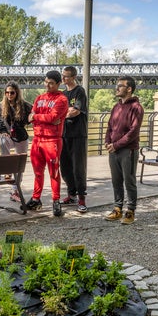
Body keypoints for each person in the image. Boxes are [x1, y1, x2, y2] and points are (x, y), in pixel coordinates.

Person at [25, 70, 68, 217]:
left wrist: (37, 116)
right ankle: (36, 199)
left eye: (51, 83)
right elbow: (32, 117)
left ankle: (56, 201)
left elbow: (53, 117)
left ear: (58, 83)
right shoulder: (39, 98)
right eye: (46, 82)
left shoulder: (62, 99)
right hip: (37, 139)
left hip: (52, 140)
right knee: (38, 172)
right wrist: (43, 118)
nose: (48, 85)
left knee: (54, 172)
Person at [104, 75, 144, 225]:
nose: (117, 87)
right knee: (116, 181)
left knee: (129, 181)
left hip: (128, 150)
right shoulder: (116, 107)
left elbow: (133, 132)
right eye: (117, 85)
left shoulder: (137, 108)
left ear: (129, 89)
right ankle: (117, 209)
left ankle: (130, 211)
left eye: (120, 85)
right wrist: (108, 141)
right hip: (114, 150)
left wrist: (116, 145)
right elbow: (109, 126)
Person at [0, 81, 32, 202]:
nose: (9, 95)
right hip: (9, 136)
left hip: (21, 138)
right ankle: (7, 168)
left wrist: (32, 119)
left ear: (17, 93)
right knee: (2, 140)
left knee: (19, 165)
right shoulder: (1, 105)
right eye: (7, 92)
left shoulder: (25, 105)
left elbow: (34, 115)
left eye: (12, 92)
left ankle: (15, 190)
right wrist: (2, 131)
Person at [59, 66, 89, 213]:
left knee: (78, 167)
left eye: (66, 76)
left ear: (73, 77)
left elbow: (74, 111)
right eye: (62, 76)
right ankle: (71, 194)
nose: (63, 79)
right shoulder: (63, 94)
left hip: (78, 135)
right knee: (65, 167)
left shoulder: (79, 91)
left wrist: (59, 115)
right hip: (63, 135)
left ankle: (81, 198)